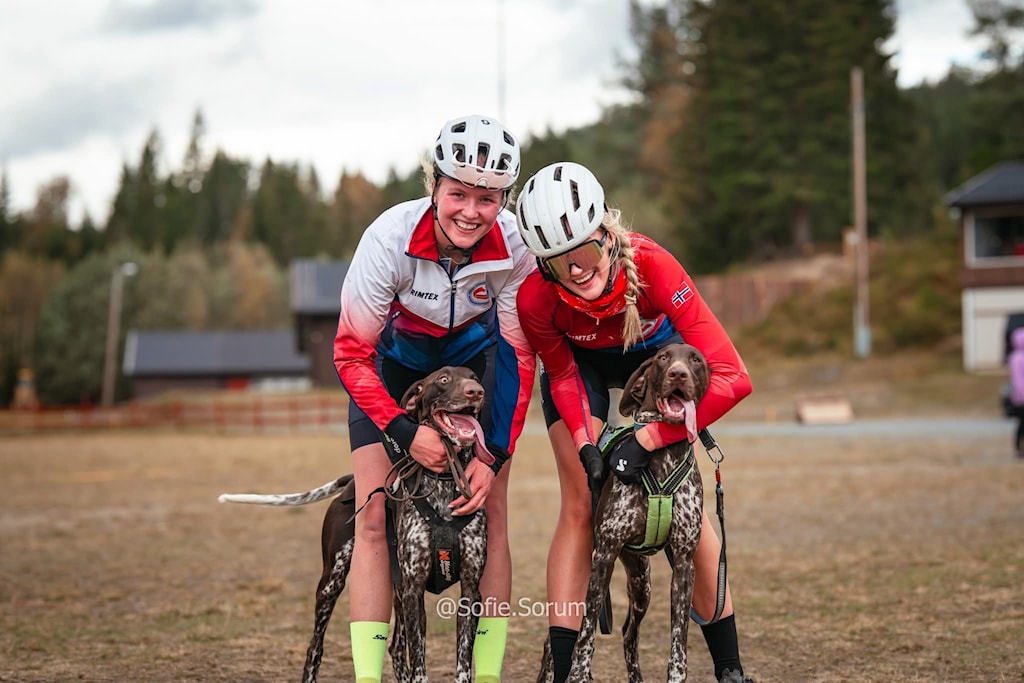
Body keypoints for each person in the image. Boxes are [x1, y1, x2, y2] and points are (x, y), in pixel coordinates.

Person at [514, 161, 756, 683]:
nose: (577, 270)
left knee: (687, 509)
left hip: (657, 361)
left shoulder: (653, 265)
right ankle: (566, 671)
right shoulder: (534, 297)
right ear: (542, 267)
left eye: (584, 252)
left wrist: (650, 437)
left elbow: (734, 377)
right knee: (580, 502)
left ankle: (730, 669)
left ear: (605, 233)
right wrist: (587, 446)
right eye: (558, 263)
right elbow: (563, 376)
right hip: (583, 370)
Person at [333, 114, 537, 683]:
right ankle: (370, 678)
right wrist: (404, 431)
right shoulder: (388, 239)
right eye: (458, 194)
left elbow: (518, 356)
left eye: (488, 198)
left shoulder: (516, 246)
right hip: (391, 370)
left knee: (491, 515)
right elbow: (351, 353)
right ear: (434, 186)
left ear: (503, 200)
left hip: (474, 369)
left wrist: (495, 453)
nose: (471, 211)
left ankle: (485, 676)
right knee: (374, 516)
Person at [1008, 326, 1024, 459]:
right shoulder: (1017, 358)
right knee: (1022, 423)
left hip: (1019, 396)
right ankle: (1018, 448)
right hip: (1021, 397)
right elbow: (1017, 380)